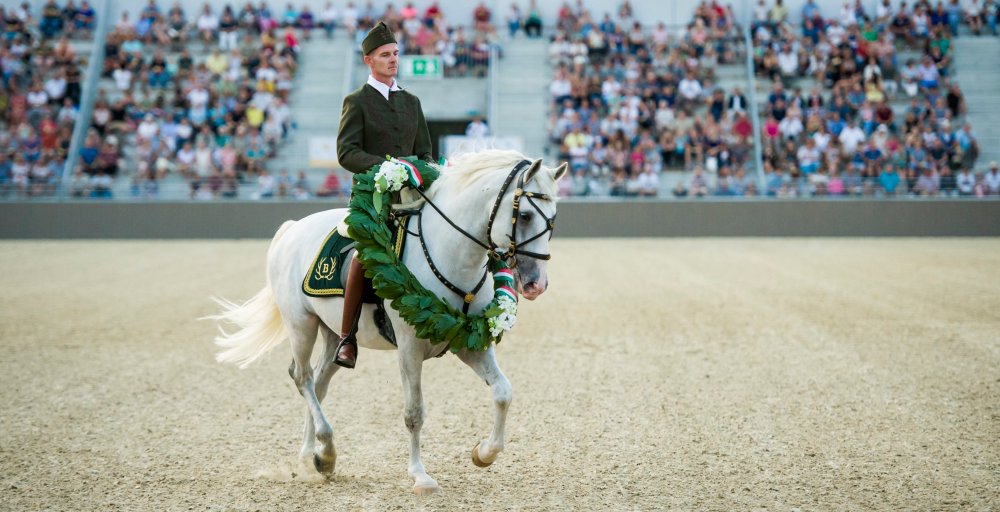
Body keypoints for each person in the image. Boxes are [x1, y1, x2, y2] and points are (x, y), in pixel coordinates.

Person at [335, 21, 432, 369]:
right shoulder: (356, 101)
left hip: (411, 196)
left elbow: (425, 153)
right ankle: (347, 338)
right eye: (385, 55)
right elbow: (346, 153)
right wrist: (386, 168)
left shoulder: (412, 102)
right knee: (365, 254)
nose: (393, 60)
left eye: (395, 54)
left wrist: (418, 172)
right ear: (369, 60)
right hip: (371, 196)